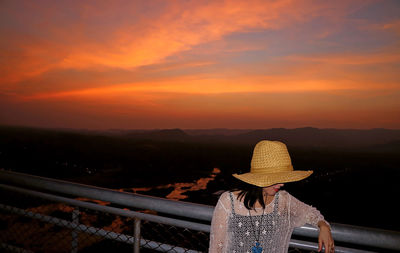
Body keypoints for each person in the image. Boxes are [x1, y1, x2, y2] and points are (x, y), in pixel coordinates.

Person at [209, 140, 334, 253]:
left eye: (283, 178)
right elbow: (216, 248)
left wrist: (323, 226)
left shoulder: (283, 200)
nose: (282, 183)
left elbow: (309, 212)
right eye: (276, 179)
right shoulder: (228, 201)